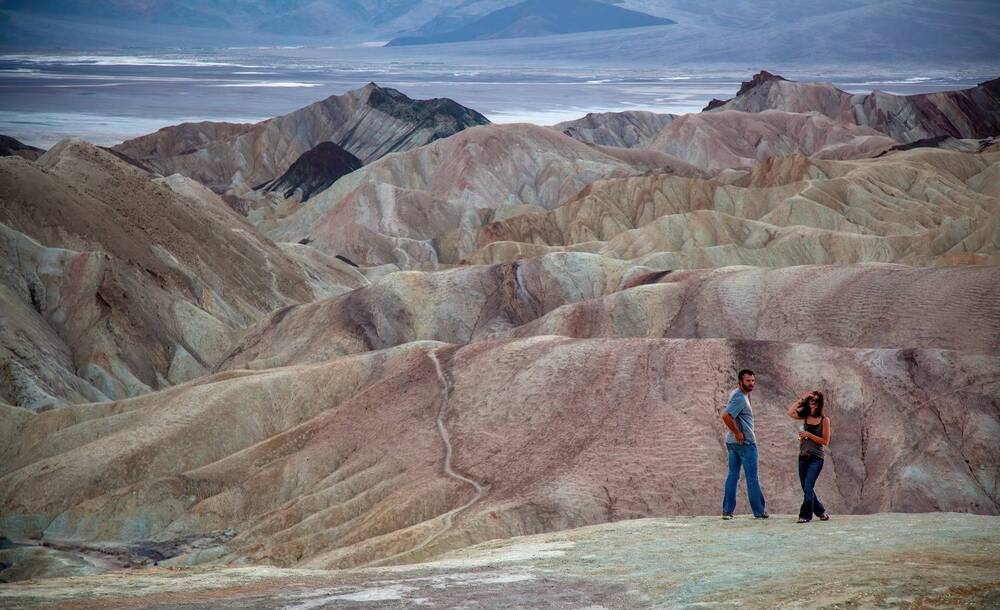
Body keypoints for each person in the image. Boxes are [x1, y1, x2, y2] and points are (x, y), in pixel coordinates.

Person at [720, 369, 768, 519]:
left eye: (753, 381)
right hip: (745, 444)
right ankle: (759, 511)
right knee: (752, 477)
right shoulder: (740, 397)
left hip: (733, 444)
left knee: (732, 475)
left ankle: (727, 511)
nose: (751, 383)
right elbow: (726, 416)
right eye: (748, 381)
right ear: (740, 381)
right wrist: (737, 432)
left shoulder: (737, 393)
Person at [787, 390, 832, 523]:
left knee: (808, 487)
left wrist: (809, 435)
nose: (814, 403)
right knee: (806, 488)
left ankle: (805, 516)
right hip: (803, 457)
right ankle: (821, 512)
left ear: (820, 403)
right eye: (812, 401)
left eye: (817, 401)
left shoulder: (824, 420)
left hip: (816, 458)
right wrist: (802, 398)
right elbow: (790, 412)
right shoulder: (805, 416)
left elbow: (825, 441)